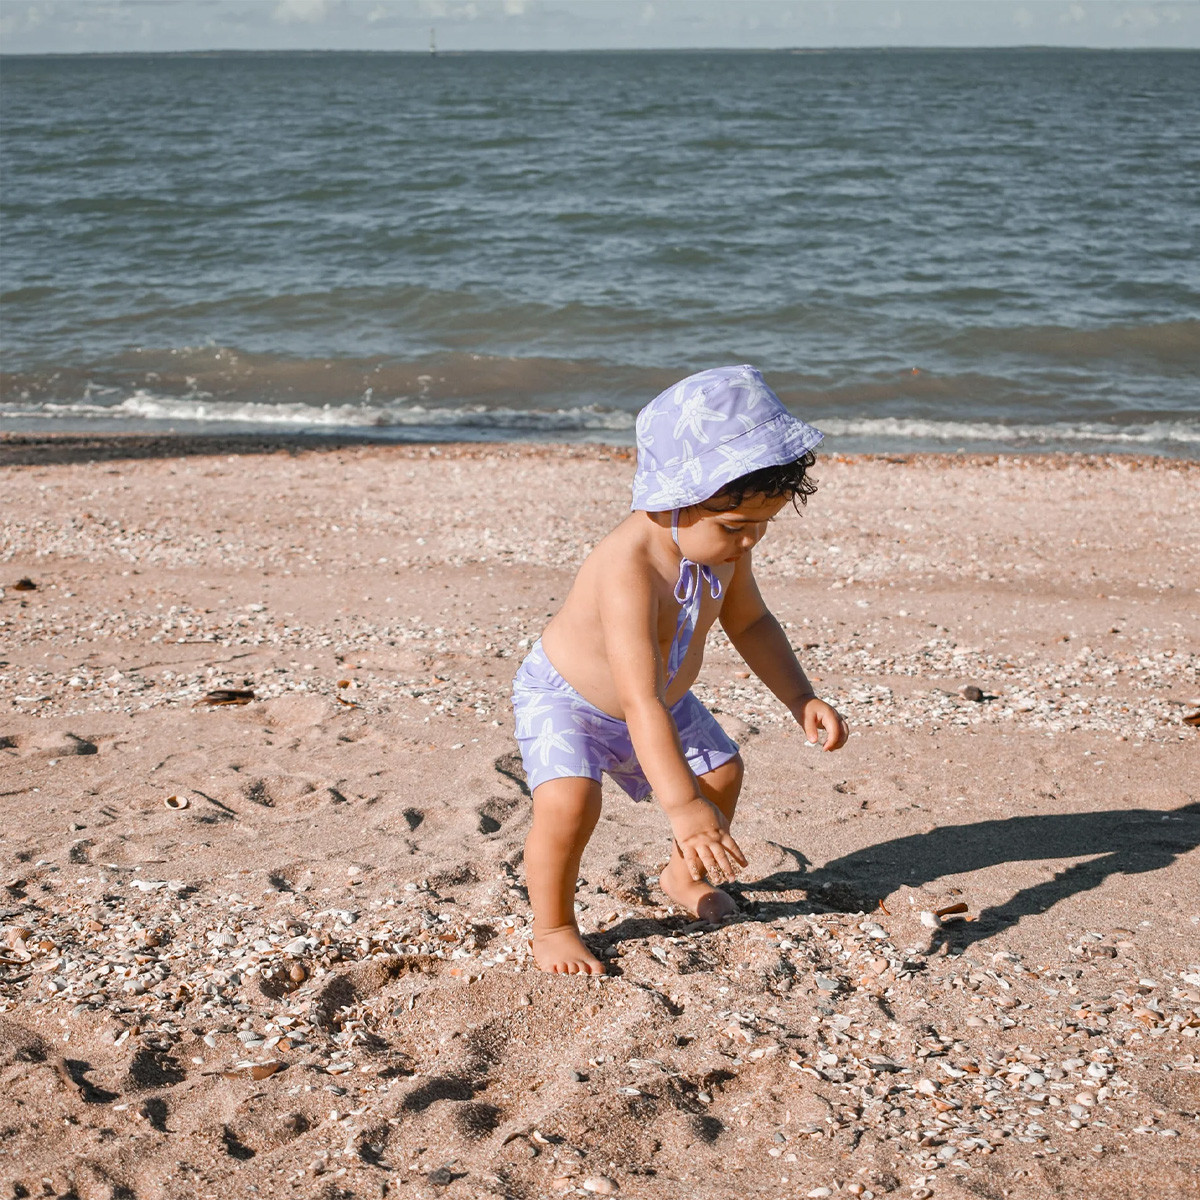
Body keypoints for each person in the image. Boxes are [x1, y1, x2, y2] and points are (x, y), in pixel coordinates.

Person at [511, 365, 849, 975]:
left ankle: (681, 872)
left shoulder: (719, 551)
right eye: (735, 527)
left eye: (761, 528)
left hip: (660, 699)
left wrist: (801, 696)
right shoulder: (629, 570)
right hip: (571, 698)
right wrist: (682, 808)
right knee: (570, 804)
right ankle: (554, 925)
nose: (748, 543)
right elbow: (638, 700)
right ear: (672, 499)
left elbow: (750, 625)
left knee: (721, 771)